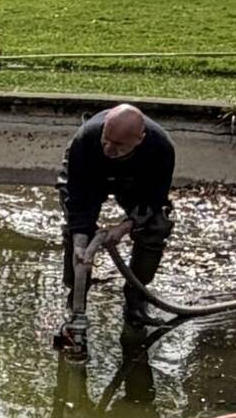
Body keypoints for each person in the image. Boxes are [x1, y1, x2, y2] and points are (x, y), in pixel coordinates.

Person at [58, 103, 177, 343]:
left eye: (119, 146)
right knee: (76, 232)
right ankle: (76, 297)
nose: (109, 150)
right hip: (90, 177)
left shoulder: (161, 149)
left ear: (139, 139)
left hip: (137, 182)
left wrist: (125, 227)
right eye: (106, 141)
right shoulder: (86, 139)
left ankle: (136, 300)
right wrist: (82, 242)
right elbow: (77, 198)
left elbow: (154, 200)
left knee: (156, 226)